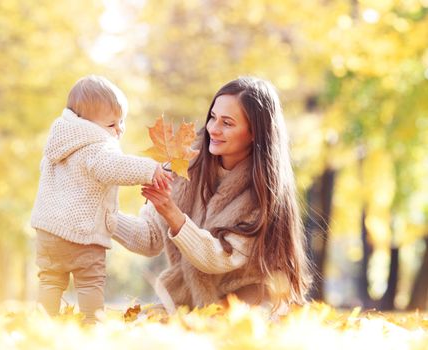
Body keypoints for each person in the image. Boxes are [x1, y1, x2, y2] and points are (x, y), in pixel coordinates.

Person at [113, 76, 312, 312]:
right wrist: (105, 216)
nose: (213, 129)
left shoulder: (264, 194)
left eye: (227, 123)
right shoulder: (183, 166)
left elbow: (218, 258)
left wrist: (172, 213)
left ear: (254, 133)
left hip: (245, 305)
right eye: (213, 118)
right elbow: (149, 240)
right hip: (186, 300)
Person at [31, 75, 171, 322]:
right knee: (90, 282)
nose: (118, 130)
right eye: (111, 125)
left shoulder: (59, 142)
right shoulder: (96, 144)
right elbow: (112, 167)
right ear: (86, 122)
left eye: (121, 123)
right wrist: (149, 170)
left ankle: (43, 323)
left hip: (47, 232)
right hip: (82, 234)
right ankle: (92, 323)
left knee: (51, 279)